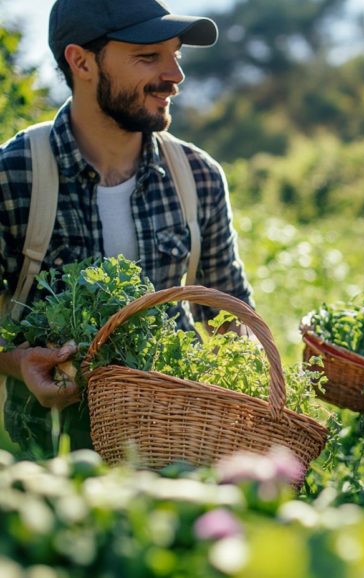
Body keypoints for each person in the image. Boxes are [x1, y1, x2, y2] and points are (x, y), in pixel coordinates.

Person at [0, 0, 253, 457]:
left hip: (177, 459)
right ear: (81, 62)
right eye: (148, 56)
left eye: (176, 54)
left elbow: (229, 318)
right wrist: (18, 364)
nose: (175, 75)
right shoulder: (14, 174)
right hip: (47, 463)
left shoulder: (198, 175)